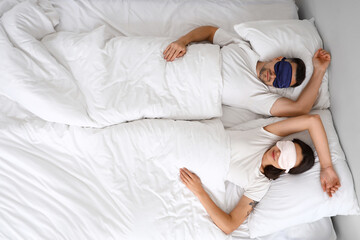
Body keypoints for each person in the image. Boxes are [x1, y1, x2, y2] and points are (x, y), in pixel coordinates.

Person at [179, 114, 340, 235]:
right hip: (192, 135)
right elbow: (313, 120)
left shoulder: (260, 184)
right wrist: (326, 166)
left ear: (286, 170)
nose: (278, 153)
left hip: (186, 162)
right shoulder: (266, 136)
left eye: (287, 159)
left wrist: (199, 191)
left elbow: (229, 225)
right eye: (286, 147)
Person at [164, 26, 331, 117]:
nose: (273, 76)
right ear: (278, 59)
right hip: (175, 56)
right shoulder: (244, 48)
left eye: (280, 81)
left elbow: (300, 109)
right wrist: (182, 41)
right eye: (280, 70)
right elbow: (209, 32)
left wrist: (319, 70)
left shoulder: (260, 97)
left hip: (176, 88)